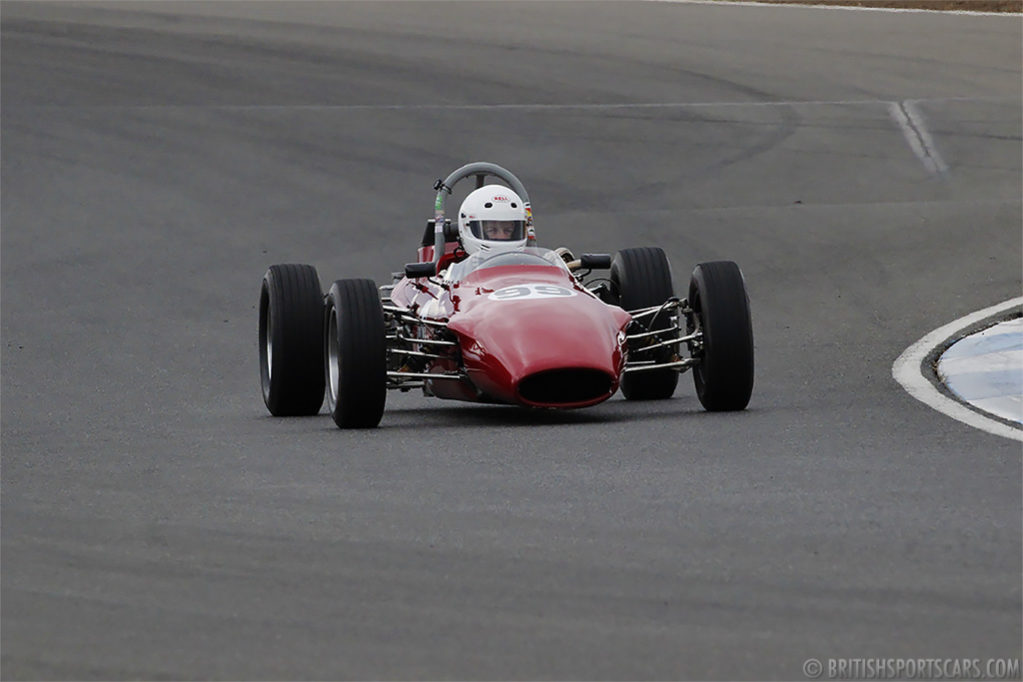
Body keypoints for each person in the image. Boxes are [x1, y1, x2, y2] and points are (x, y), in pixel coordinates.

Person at [457, 185, 528, 255]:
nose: (501, 236)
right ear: (465, 227)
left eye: (508, 230)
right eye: (491, 230)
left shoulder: (530, 262)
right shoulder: (456, 266)